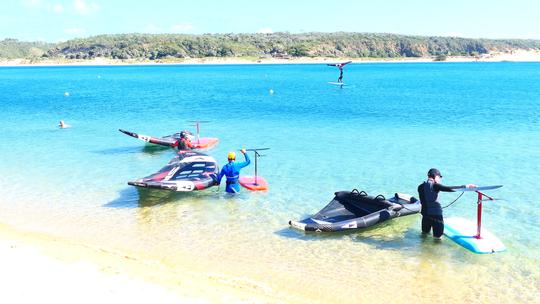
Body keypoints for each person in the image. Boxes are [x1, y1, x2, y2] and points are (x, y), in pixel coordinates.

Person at [417, 168, 476, 240]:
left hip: (425, 216)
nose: (439, 179)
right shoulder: (435, 186)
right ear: (435, 176)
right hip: (436, 217)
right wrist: (466, 186)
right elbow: (449, 188)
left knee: (424, 236)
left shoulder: (420, 187)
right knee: (437, 239)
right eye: (439, 177)